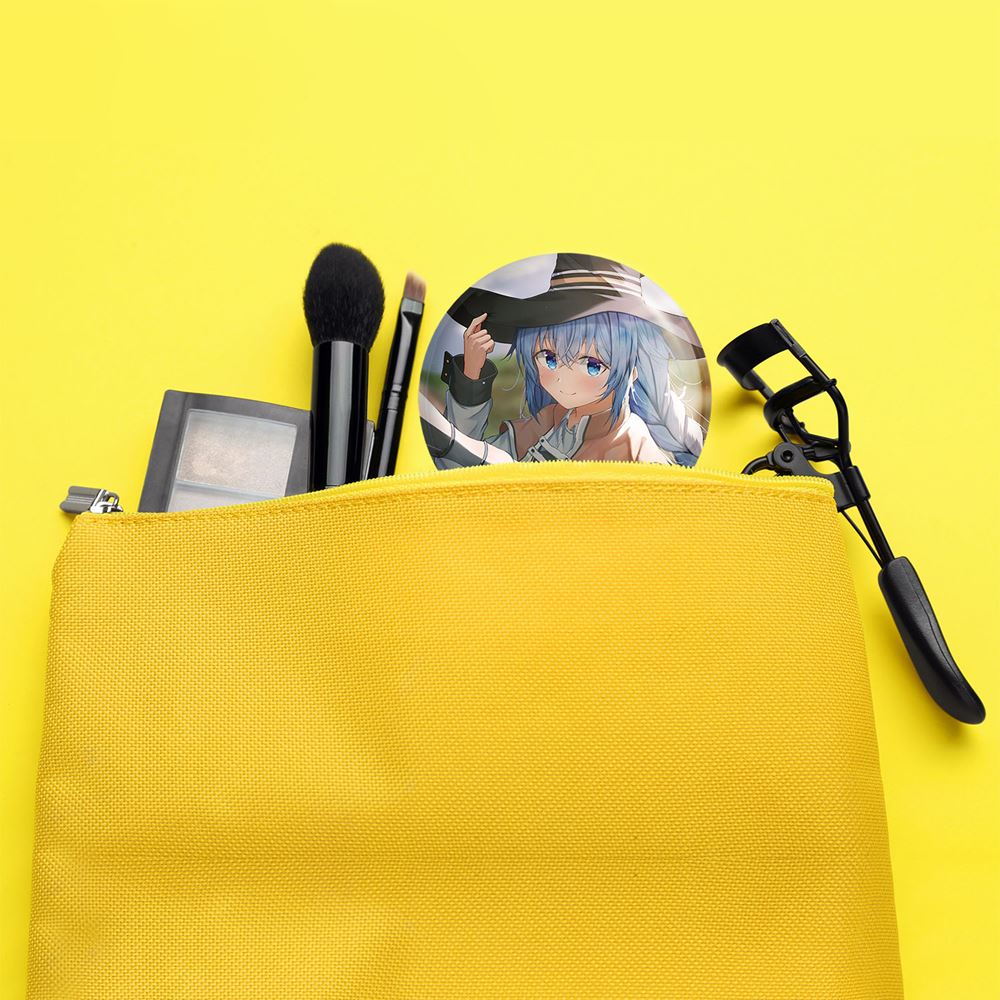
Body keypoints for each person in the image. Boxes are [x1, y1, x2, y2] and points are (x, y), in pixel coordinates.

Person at [442, 309, 705, 464]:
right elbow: (460, 464)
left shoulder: (634, 446)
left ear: (632, 370)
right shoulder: (550, 421)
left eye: (592, 365)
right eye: (549, 358)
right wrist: (471, 374)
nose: (563, 380)